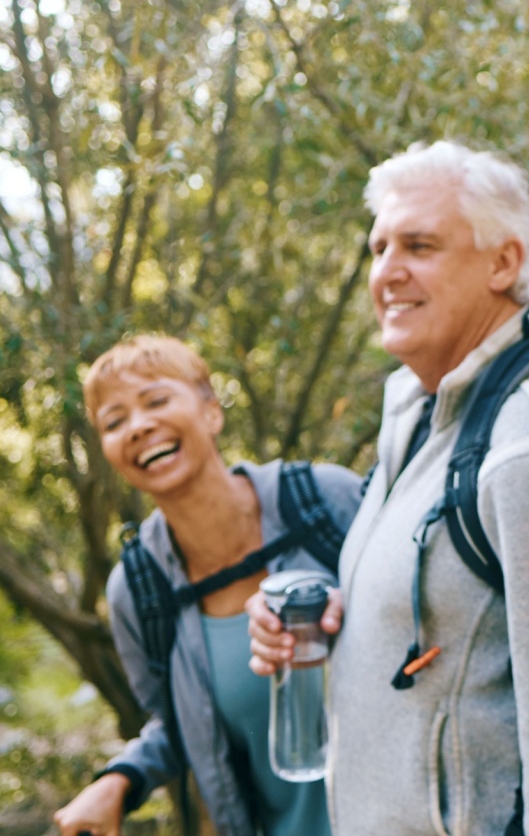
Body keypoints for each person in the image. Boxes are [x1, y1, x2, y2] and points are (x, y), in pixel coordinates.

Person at [246, 140, 529, 836]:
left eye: (419, 245)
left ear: (504, 262)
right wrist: (342, 617)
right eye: (378, 247)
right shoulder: (426, 415)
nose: (387, 272)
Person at [53, 335, 363, 836]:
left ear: (211, 412)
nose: (139, 426)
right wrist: (120, 779)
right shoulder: (138, 590)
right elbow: (179, 724)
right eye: (114, 421)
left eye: (156, 401)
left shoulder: (324, 501)